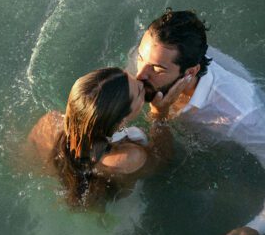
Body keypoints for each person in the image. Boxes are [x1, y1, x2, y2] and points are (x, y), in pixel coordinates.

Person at [132, 9, 265, 235]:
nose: (139, 74)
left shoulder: (243, 117)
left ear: (190, 72)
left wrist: (260, 226)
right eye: (141, 57)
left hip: (231, 156)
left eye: (157, 69)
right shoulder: (153, 59)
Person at [27, 67, 172, 211]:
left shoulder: (49, 123)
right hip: (112, 212)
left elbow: (26, 160)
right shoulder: (129, 157)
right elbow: (163, 162)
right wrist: (160, 114)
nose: (141, 82)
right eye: (139, 92)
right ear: (121, 121)